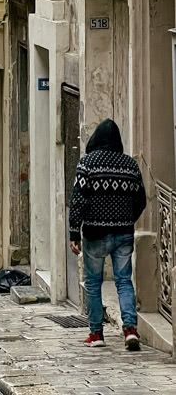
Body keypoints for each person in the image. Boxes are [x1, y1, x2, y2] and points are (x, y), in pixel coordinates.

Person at [68, 118, 146, 350]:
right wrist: (127, 219)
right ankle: (130, 330)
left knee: (93, 283)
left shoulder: (87, 165)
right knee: (123, 281)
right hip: (123, 233)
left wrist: (74, 232)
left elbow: (78, 200)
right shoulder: (130, 165)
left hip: (94, 233)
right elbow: (141, 200)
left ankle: (96, 334)